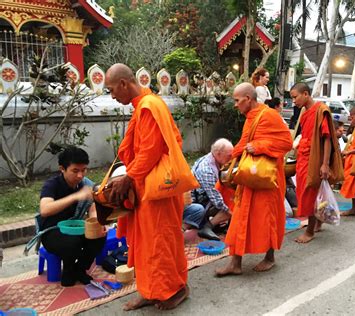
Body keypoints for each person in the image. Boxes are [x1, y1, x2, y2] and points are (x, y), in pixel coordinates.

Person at [105, 63, 188, 311]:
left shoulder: (150, 106)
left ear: (123, 83)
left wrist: (127, 176)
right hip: (144, 187)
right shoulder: (142, 106)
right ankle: (150, 290)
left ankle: (176, 289)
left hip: (158, 188)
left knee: (161, 241)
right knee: (144, 243)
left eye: (111, 89)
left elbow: (151, 151)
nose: (112, 95)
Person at [215, 83, 292, 276]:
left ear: (248, 99)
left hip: (268, 178)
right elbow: (245, 140)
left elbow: (286, 143)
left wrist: (260, 146)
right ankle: (235, 263)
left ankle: (270, 257)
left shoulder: (269, 115)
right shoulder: (251, 117)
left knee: (268, 217)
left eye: (237, 100)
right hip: (250, 176)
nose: (235, 105)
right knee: (240, 216)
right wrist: (230, 158)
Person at [39, 146, 106, 287]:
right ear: (62, 169)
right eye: (75, 171)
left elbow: (92, 209)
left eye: (83, 170)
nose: (80, 175)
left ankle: (79, 269)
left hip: (75, 228)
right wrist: (75, 196)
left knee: (99, 235)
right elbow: (45, 209)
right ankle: (68, 272)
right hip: (52, 231)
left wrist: (96, 224)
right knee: (72, 243)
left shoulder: (86, 184)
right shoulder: (51, 185)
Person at [290, 83, 342, 243]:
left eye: (295, 97)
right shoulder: (305, 112)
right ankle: (318, 221)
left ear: (305, 94)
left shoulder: (321, 110)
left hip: (314, 158)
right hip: (304, 156)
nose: (293, 101)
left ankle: (310, 231)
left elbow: (327, 138)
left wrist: (325, 163)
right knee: (313, 192)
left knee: (310, 193)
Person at [191, 138, 234, 240]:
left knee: (234, 195)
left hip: (205, 199)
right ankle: (208, 226)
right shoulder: (206, 169)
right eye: (229, 155)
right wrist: (230, 212)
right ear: (218, 154)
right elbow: (216, 199)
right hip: (198, 206)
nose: (231, 158)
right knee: (234, 204)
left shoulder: (213, 160)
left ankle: (218, 224)